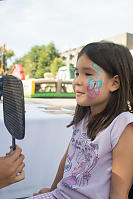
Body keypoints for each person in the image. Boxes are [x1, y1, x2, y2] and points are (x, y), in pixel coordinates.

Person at [28, 42, 133, 199]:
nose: (76, 81)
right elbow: (66, 161)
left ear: (114, 83)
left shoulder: (123, 125)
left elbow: (119, 193)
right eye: (77, 73)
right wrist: (51, 191)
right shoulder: (83, 117)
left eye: (88, 74)